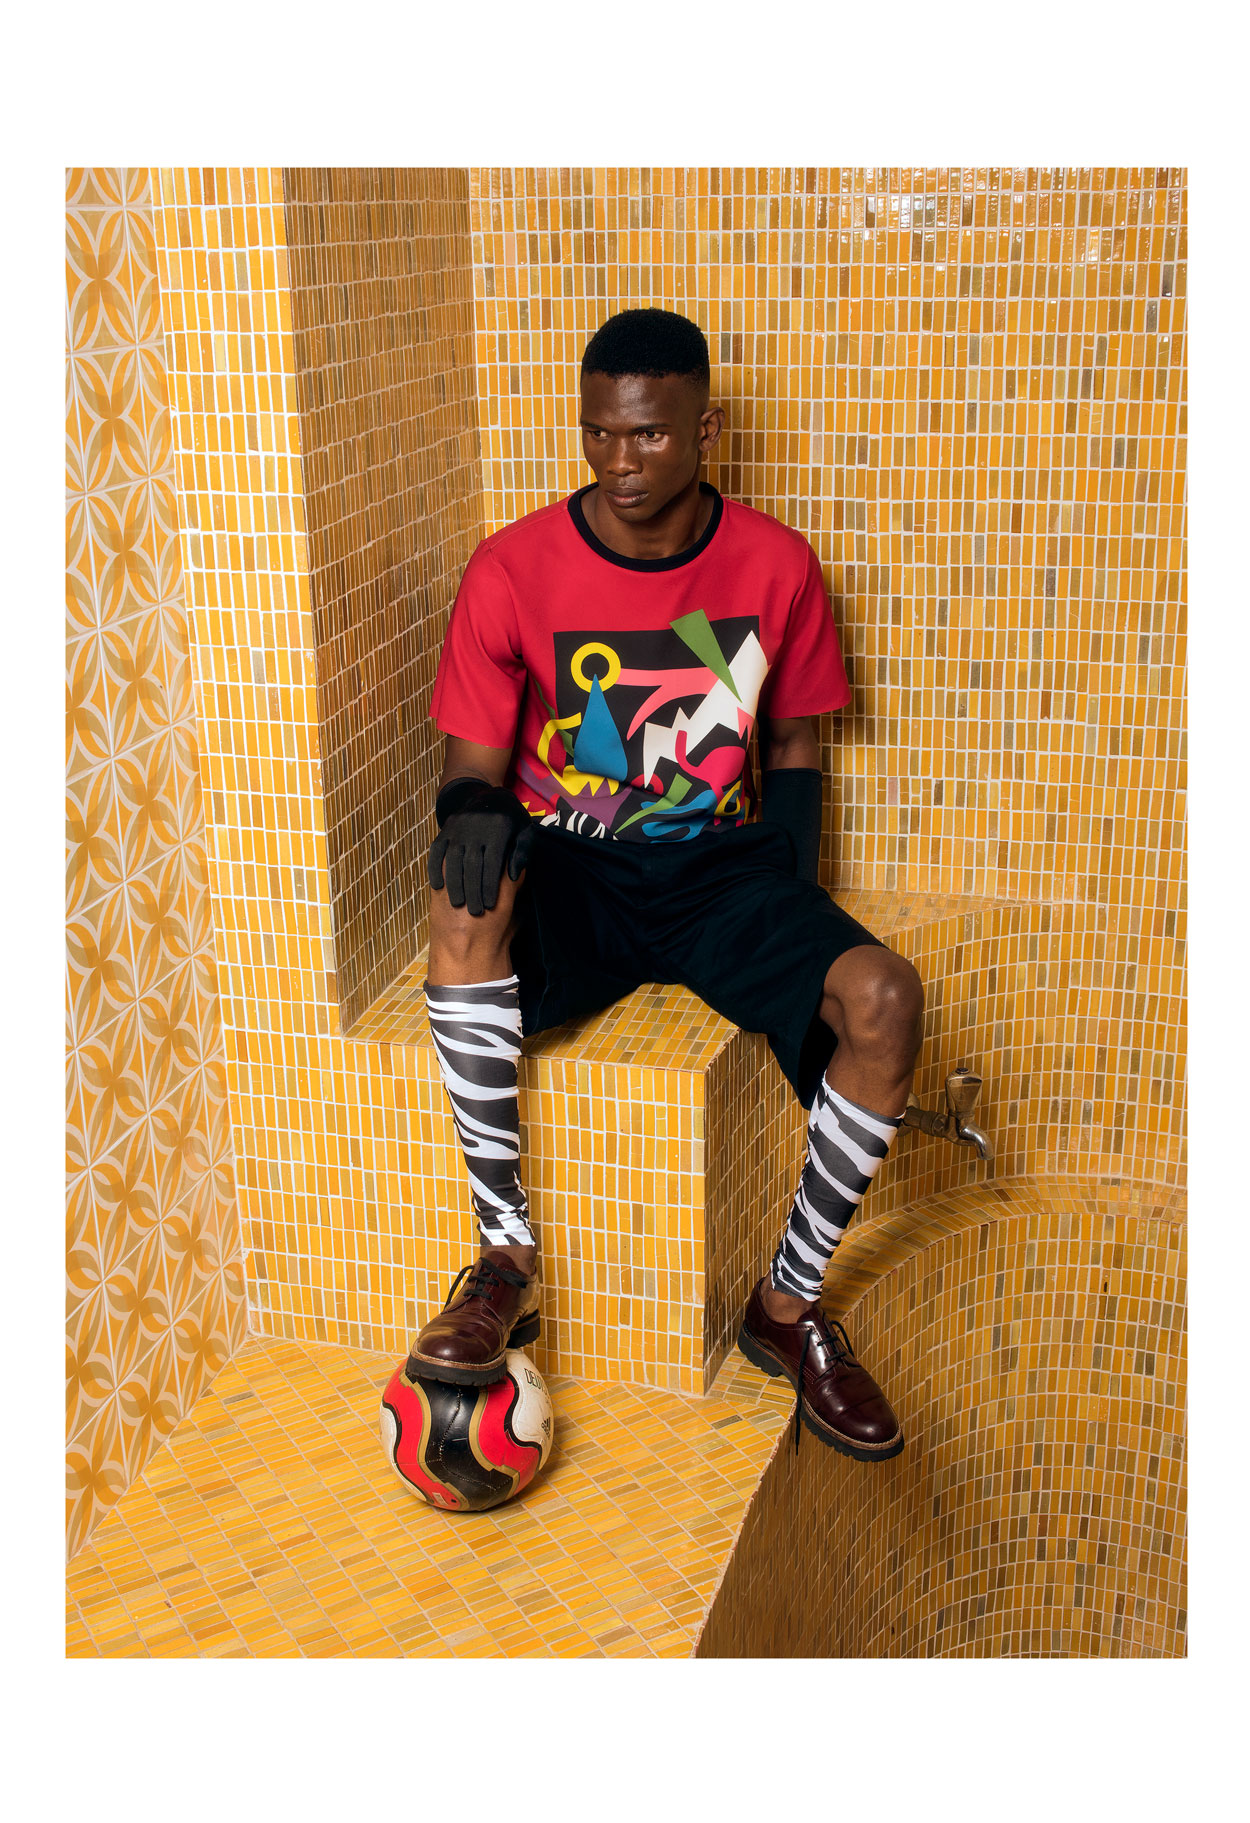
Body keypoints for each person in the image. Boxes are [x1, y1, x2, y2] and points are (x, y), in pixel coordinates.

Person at [405, 308, 924, 1460]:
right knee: (459, 897)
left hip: (720, 876)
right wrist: (470, 813)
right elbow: (471, 768)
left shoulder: (777, 564)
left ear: (705, 428)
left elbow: (792, 745)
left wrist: (788, 897)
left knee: (885, 998)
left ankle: (784, 1306)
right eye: (596, 432)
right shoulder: (511, 567)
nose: (617, 460)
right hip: (576, 869)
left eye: (644, 434)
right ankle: (502, 1258)